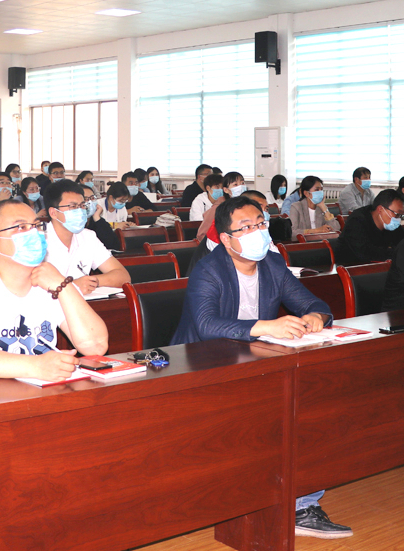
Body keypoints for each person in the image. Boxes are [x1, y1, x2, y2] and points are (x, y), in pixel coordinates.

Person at [170, 196, 351, 541]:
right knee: (276, 418)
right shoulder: (208, 269)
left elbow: (313, 302)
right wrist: (266, 326)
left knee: (311, 407)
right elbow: (206, 325)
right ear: (226, 239)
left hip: (254, 361)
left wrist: (316, 315)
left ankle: (301, 504)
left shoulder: (272, 262)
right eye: (246, 228)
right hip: (202, 367)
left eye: (260, 224)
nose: (257, 232)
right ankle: (270, 502)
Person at [0, 199, 108, 381]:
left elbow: (95, 346)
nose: (34, 233)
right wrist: (36, 366)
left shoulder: (51, 280)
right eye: (21, 227)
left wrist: (63, 286)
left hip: (34, 389)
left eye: (37, 226)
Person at [43, 180, 130, 295]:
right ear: (53, 213)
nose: (80, 211)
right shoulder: (38, 241)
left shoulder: (88, 236)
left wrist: (92, 282)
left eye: (82, 206)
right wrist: (71, 286)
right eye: (73, 206)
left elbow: (123, 276)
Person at [336, 189, 404, 265]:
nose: (398, 219)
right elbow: (365, 253)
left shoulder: (391, 224)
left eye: (401, 215)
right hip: (351, 267)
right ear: (380, 209)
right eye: (397, 214)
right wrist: (395, 251)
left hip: (380, 266)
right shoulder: (357, 221)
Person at [197, 172, 247, 241]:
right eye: (235, 184)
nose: (240, 187)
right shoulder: (218, 208)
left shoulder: (248, 204)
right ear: (226, 190)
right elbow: (202, 235)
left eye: (242, 183)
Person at [289, 176, 340, 241]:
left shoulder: (321, 208)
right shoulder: (296, 207)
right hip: (304, 244)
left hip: (322, 242)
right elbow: (292, 232)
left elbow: (336, 229)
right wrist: (317, 230)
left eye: (321, 189)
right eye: (317, 190)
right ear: (306, 193)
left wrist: (323, 207)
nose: (320, 192)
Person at [81, 184, 120, 251]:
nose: (90, 202)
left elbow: (113, 245)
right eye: (85, 199)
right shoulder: (75, 224)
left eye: (92, 198)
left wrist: (97, 218)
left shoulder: (98, 221)